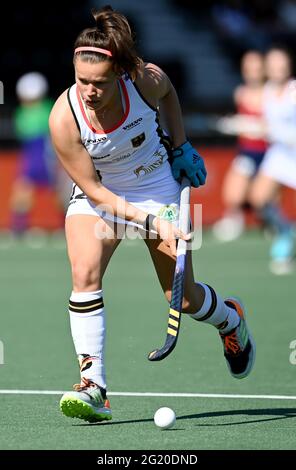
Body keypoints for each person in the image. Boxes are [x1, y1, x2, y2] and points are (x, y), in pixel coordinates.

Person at [49, 5, 255, 423]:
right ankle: (94, 387)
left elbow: (169, 96)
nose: (89, 91)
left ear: (119, 74)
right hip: (101, 194)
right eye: (81, 80)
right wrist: (153, 223)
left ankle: (231, 320)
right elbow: (93, 191)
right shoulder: (63, 118)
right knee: (84, 273)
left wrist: (179, 146)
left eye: (99, 83)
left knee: (183, 296)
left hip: (156, 185)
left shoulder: (145, 80)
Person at [213, 50, 290, 245]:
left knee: (266, 198)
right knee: (236, 193)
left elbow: (273, 124)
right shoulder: (241, 93)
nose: (252, 72)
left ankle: (273, 226)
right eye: (248, 68)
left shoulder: (272, 92)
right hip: (248, 152)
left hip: (272, 152)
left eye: (256, 67)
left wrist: (254, 126)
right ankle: (235, 219)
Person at [249, 47, 296, 274]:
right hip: (278, 154)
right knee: (258, 197)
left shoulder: (294, 88)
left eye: (283, 63)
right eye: (274, 63)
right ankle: (285, 233)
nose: (280, 68)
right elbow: (267, 124)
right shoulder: (266, 91)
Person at [10, 72, 65, 236]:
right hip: (32, 158)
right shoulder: (22, 113)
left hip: (47, 157)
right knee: (22, 191)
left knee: (59, 195)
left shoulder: (48, 108)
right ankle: (18, 228)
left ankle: (66, 226)